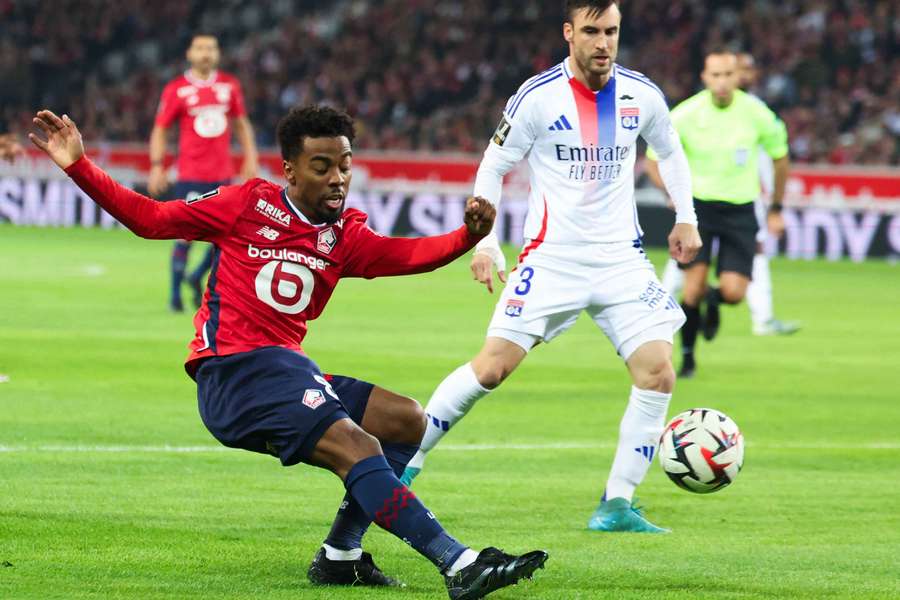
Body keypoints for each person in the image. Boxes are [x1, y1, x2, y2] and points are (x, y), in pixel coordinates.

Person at [29, 105, 547, 599]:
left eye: (345, 165)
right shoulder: (244, 204)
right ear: (290, 170)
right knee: (358, 447)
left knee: (406, 420)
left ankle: (340, 556)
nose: (337, 177)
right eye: (321, 166)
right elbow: (150, 218)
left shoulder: (345, 235)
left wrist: (467, 236)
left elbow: (408, 254)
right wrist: (78, 165)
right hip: (233, 373)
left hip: (283, 371)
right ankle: (459, 565)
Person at [402, 0, 701, 534]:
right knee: (492, 367)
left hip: (621, 260)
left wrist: (686, 217)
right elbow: (493, 166)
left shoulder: (642, 94)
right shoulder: (538, 97)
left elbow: (670, 153)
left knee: (657, 373)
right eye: (591, 31)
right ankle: (407, 461)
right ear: (569, 33)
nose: (603, 43)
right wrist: (487, 242)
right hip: (552, 258)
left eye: (611, 31)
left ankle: (616, 505)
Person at [645, 49, 790, 378]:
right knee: (691, 288)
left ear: (738, 77)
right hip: (700, 211)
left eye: (728, 75)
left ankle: (714, 301)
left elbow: (781, 158)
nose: (722, 82)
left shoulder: (757, 114)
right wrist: (674, 195)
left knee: (734, 293)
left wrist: (777, 208)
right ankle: (687, 359)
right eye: (715, 75)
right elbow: (653, 159)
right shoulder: (686, 114)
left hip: (740, 210)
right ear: (704, 78)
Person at [148, 34, 259, 312]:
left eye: (210, 48)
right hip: (190, 174)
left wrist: (250, 156)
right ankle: (175, 296)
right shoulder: (177, 89)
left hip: (222, 175)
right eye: (200, 48)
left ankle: (196, 276)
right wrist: (157, 165)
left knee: (226, 237)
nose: (206, 53)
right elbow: (160, 128)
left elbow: (241, 123)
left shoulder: (228, 86)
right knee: (184, 235)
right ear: (189, 53)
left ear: (218, 53)